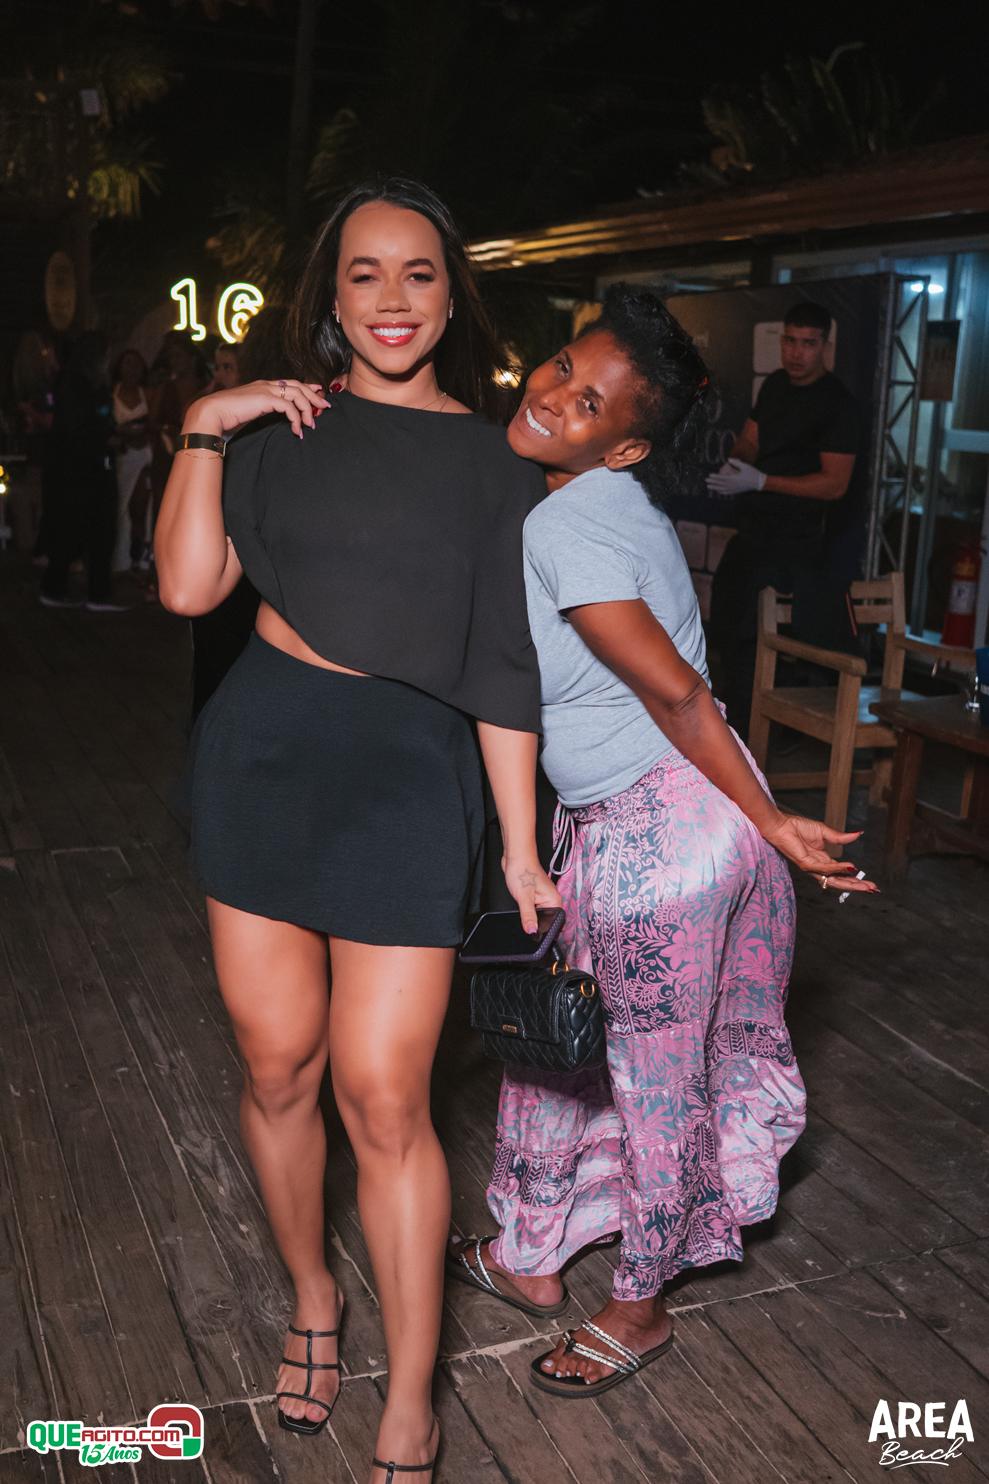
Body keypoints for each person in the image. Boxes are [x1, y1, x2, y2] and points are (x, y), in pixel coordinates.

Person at [154, 177, 560, 1483]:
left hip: (407, 781)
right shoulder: (280, 430)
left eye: (419, 272)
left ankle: (412, 1398)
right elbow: (188, 586)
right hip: (266, 755)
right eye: (366, 273)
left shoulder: (498, 462)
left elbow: (504, 668)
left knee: (385, 1093)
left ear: (451, 294)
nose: (393, 298)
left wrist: (518, 846)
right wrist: (206, 426)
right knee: (278, 1066)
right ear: (330, 297)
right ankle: (313, 1295)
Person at [448, 285, 876, 1400]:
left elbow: (678, 693)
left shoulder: (567, 521)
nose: (553, 395)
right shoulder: (610, 503)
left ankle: (637, 1307)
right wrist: (757, 819)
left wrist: (771, 820)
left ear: (626, 443)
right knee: (571, 1051)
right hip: (679, 820)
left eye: (590, 401)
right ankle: (529, 1252)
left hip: (661, 836)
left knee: (645, 1078)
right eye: (560, 367)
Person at [707, 301, 863, 736]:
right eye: (790, 341)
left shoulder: (839, 405)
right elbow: (750, 439)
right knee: (725, 623)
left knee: (761, 639)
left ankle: (762, 733)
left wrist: (762, 481)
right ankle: (728, 727)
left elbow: (834, 484)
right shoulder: (775, 385)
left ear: (825, 346)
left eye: (808, 344)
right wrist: (738, 463)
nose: (796, 352)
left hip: (798, 544)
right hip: (753, 531)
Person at [40, 331, 126, 612]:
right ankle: (89, 591)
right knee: (87, 530)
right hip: (83, 472)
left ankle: (77, 588)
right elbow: (78, 429)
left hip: (82, 471)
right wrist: (107, 438)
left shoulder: (85, 384)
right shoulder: (77, 386)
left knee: (80, 530)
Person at [110, 349, 153, 573]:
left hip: (144, 455)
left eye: (137, 364)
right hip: (122, 458)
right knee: (120, 508)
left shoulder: (149, 394)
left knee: (140, 506)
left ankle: (139, 556)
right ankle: (120, 559)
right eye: (127, 364)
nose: (132, 369)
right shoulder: (111, 394)